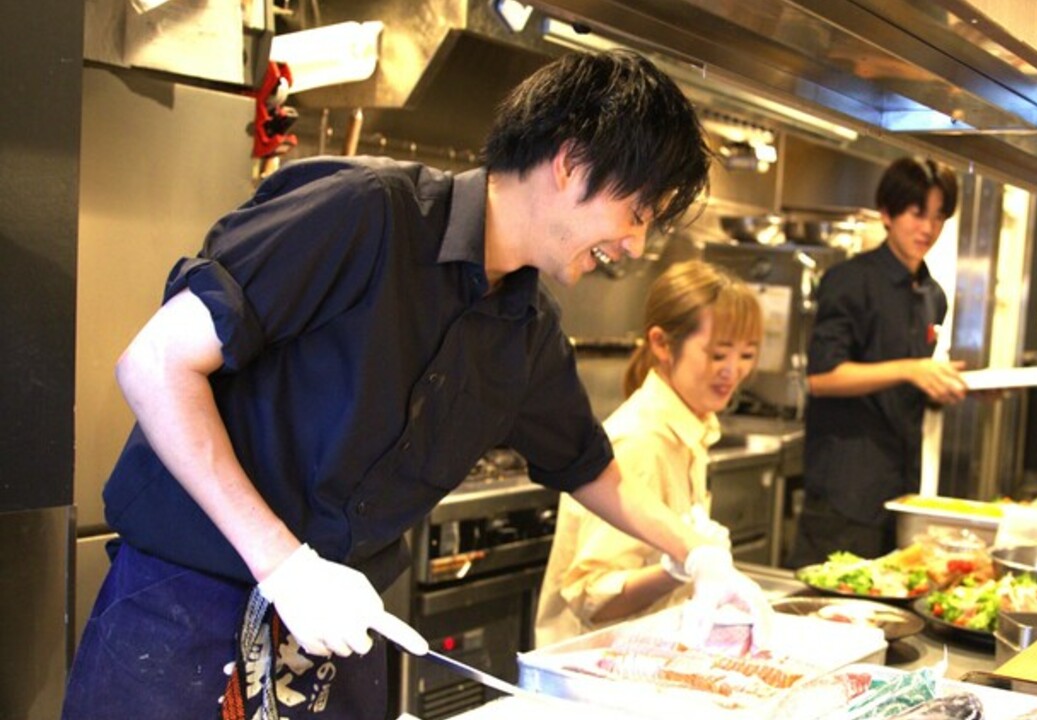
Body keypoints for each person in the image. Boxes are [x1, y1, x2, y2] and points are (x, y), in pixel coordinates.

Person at [63, 50, 769, 720]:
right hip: (184, 615)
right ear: (570, 162)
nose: (635, 245)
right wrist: (285, 567)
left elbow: (590, 470)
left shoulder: (529, 329)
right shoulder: (363, 211)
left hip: (335, 640)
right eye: (637, 214)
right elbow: (154, 364)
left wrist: (698, 555)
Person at [536, 260, 763, 647]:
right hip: (595, 666)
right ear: (661, 343)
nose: (733, 371)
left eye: (746, 355)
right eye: (718, 354)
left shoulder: (692, 427)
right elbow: (592, 600)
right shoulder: (641, 440)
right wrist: (677, 567)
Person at [788, 156, 968, 566]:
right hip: (844, 493)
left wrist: (945, 387)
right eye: (917, 213)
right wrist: (912, 369)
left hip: (901, 491)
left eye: (939, 217)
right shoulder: (849, 281)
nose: (928, 228)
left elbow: (904, 387)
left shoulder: (933, 296)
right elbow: (822, 377)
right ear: (887, 213)